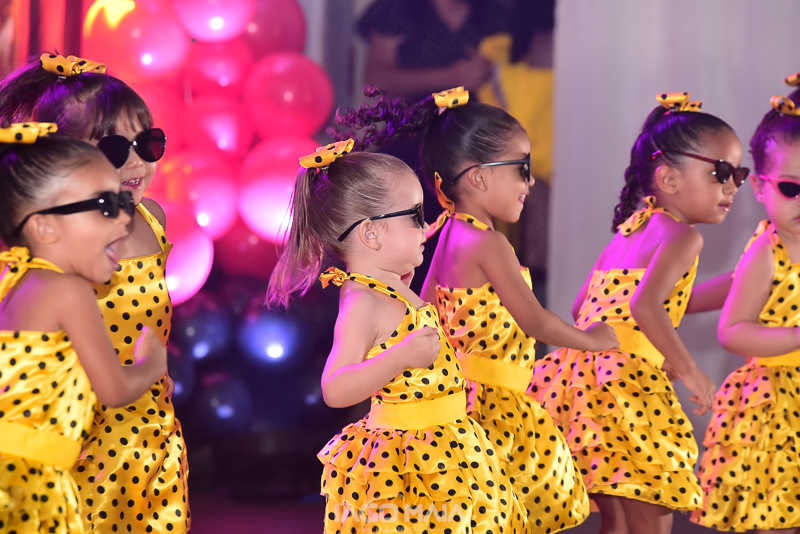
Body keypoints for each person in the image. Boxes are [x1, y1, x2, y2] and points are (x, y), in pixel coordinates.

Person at [331, 86, 620, 532]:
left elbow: (427, 312)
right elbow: (534, 320)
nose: (530, 182)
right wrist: (592, 340)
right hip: (495, 407)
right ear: (480, 178)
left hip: (461, 404)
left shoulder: (449, 235)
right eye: (522, 168)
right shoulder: (488, 242)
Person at [267, 139, 529, 534]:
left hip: (446, 448)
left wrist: (402, 284)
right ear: (372, 234)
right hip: (410, 463)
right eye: (415, 215)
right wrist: (400, 356)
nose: (425, 226)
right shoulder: (362, 302)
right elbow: (335, 387)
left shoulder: (389, 287)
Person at [526, 92, 747, 534]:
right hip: (628, 389)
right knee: (651, 516)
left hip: (581, 383)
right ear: (668, 178)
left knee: (618, 520)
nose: (732, 186)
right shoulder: (684, 237)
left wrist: (646, 345)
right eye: (721, 172)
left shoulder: (630, 231)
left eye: (739, 174)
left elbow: (586, 306)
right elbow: (644, 305)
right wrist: (691, 371)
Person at [0, 53, 188, 533]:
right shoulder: (53, 248)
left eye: (147, 143)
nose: (137, 161)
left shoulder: (152, 220)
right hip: (83, 448)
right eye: (113, 148)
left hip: (152, 437)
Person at [690, 78, 800, 534]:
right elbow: (732, 329)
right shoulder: (767, 251)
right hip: (778, 404)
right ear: (758, 186)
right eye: (792, 188)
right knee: (777, 515)